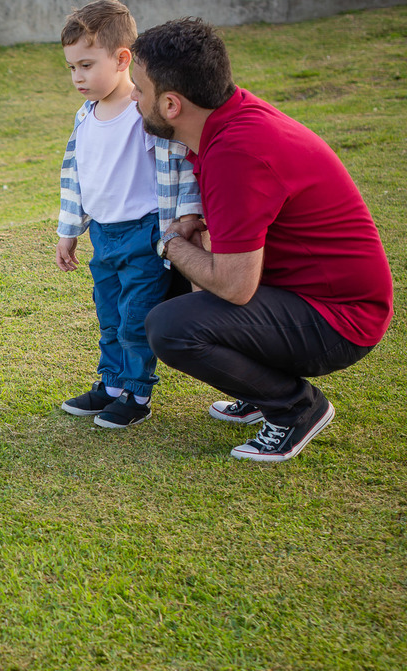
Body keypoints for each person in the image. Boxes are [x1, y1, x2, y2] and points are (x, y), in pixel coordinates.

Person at [131, 18, 393, 462]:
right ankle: (258, 387)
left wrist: (171, 243)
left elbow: (234, 286)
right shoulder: (228, 121)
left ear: (171, 104)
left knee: (170, 326)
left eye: (138, 91)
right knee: (175, 288)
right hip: (301, 294)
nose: (133, 100)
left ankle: (295, 409)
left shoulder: (238, 152)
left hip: (342, 319)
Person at [55, 1, 202, 429]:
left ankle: (136, 394)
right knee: (109, 313)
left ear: (123, 59)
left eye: (86, 64)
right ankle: (111, 383)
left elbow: (180, 167)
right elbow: (76, 178)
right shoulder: (84, 117)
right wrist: (70, 232)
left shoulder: (143, 115)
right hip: (103, 234)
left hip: (144, 235)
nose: (78, 77)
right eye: (71, 68)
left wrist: (186, 219)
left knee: (137, 317)